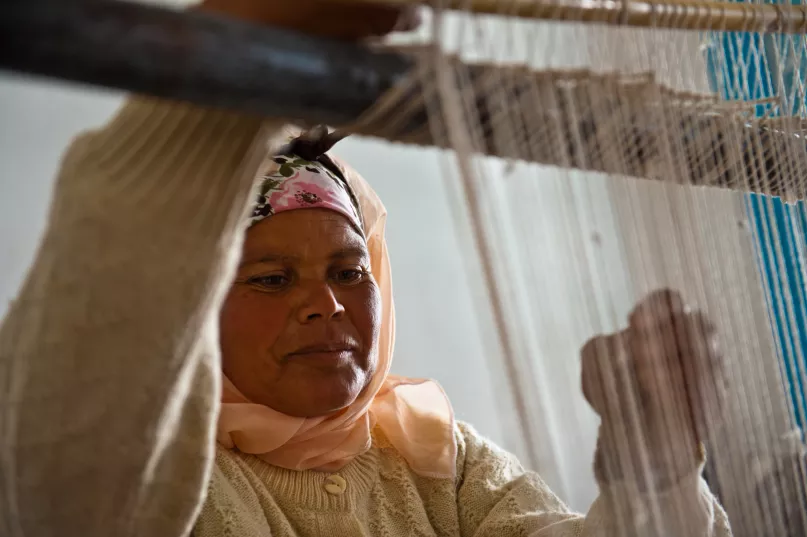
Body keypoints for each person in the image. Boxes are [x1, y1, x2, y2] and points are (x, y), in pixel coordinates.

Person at [0, 1, 734, 536]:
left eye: (350, 271)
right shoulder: (158, 473)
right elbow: (58, 493)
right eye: (270, 278)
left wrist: (655, 477)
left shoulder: (431, 453)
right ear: (193, 309)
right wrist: (216, 89)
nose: (325, 304)